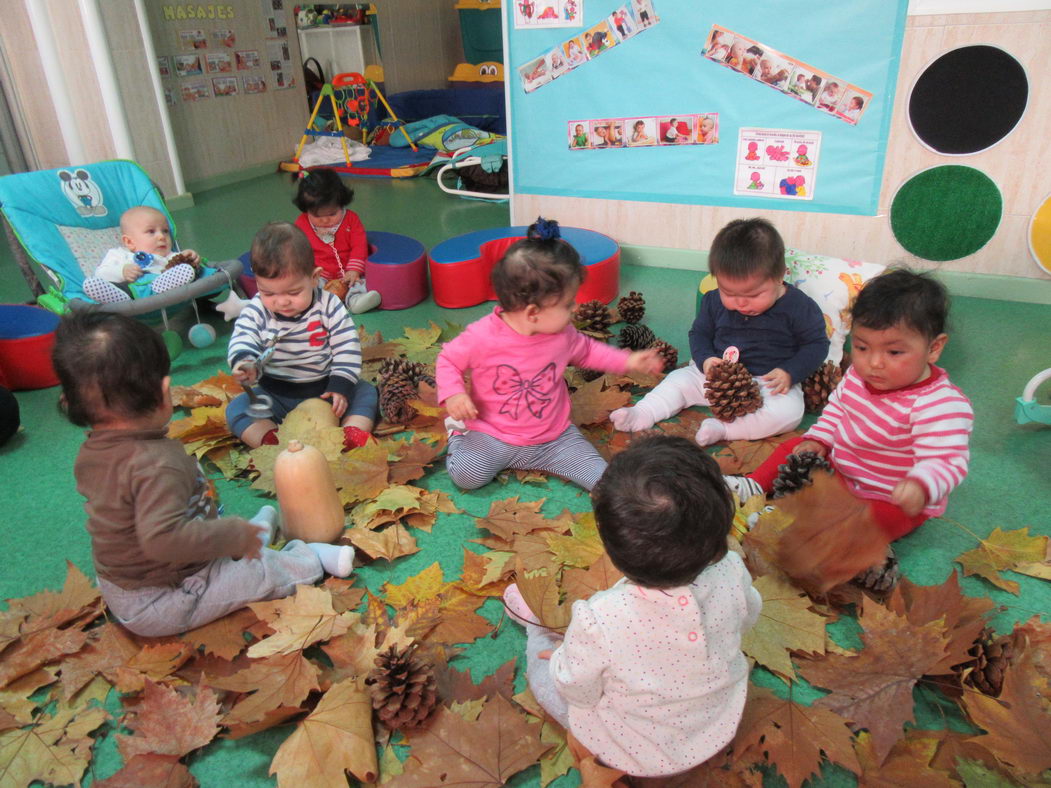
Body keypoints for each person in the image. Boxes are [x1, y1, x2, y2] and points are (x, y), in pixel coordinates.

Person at [53, 311, 355, 638]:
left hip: (135, 577)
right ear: (163, 392)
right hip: (162, 597)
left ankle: (249, 539)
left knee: (218, 537)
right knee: (257, 577)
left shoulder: (95, 450)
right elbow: (164, 541)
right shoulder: (154, 466)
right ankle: (307, 558)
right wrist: (229, 537)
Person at [502, 435, 761, 778]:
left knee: (547, 676)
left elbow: (577, 689)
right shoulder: (732, 570)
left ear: (611, 546)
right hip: (717, 720)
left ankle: (535, 628)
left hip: (633, 749)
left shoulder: (602, 617)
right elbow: (749, 616)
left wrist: (565, 660)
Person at [726, 269, 973, 540]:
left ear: (934, 348)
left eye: (894, 352)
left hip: (889, 496)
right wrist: (820, 440)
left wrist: (921, 486)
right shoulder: (857, 374)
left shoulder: (940, 405)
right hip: (841, 470)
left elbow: (947, 461)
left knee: (869, 524)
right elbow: (837, 410)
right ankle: (753, 486)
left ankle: (791, 520)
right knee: (794, 447)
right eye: (862, 347)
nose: (874, 363)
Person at [436, 218, 663, 492]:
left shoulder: (562, 334)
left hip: (554, 439)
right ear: (533, 312)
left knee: (603, 481)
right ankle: (458, 435)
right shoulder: (483, 336)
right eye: (568, 304)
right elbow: (448, 359)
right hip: (492, 434)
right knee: (466, 475)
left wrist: (626, 360)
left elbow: (589, 350)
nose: (575, 310)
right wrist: (454, 393)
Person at [611, 218, 828, 446]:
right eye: (729, 293)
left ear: (780, 276)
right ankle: (643, 412)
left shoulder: (800, 307)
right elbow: (699, 334)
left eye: (753, 295)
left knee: (790, 412)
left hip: (768, 383)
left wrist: (790, 372)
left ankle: (725, 429)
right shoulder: (713, 300)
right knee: (678, 381)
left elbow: (816, 345)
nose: (741, 303)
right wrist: (705, 361)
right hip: (716, 376)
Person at [226, 222, 378, 449]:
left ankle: (350, 434)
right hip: (275, 394)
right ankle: (271, 442)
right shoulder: (256, 309)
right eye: (268, 292)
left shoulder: (328, 305)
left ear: (314, 277)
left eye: (293, 292)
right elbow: (243, 337)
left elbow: (347, 346)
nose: (282, 301)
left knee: (365, 392)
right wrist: (244, 362)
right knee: (237, 409)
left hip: (326, 391)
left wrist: (340, 386)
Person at [292, 168, 381, 314]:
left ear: (342, 203)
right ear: (306, 210)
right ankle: (316, 303)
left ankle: (355, 301)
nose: (326, 220)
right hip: (319, 274)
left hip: (347, 273)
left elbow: (359, 245)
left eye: (332, 214)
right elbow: (297, 250)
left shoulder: (351, 219)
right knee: (308, 285)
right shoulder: (301, 223)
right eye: (318, 216)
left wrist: (353, 270)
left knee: (360, 283)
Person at [82, 206, 200, 305]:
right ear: (129, 242)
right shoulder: (119, 254)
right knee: (95, 283)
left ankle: (158, 288)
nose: (161, 237)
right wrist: (122, 271)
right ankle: (121, 299)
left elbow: (179, 264)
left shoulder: (168, 255)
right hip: (128, 291)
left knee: (186, 270)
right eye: (151, 231)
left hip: (161, 293)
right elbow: (101, 273)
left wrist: (187, 256)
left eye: (165, 231)